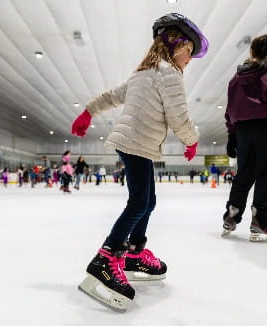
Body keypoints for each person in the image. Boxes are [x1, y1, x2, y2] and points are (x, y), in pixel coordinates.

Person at [72, 13, 207, 311]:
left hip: (136, 145)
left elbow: (112, 96)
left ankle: (133, 252)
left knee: (148, 201)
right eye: (189, 54)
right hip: (136, 143)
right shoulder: (169, 73)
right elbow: (178, 116)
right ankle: (106, 259)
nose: (189, 61)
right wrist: (191, 138)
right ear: (178, 46)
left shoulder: (142, 73)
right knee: (138, 203)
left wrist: (88, 112)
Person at [222, 34, 267, 242]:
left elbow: (231, 110)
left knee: (244, 174)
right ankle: (260, 222)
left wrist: (232, 135)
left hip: (245, 132)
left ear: (251, 52)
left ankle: (232, 214)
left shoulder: (236, 79)